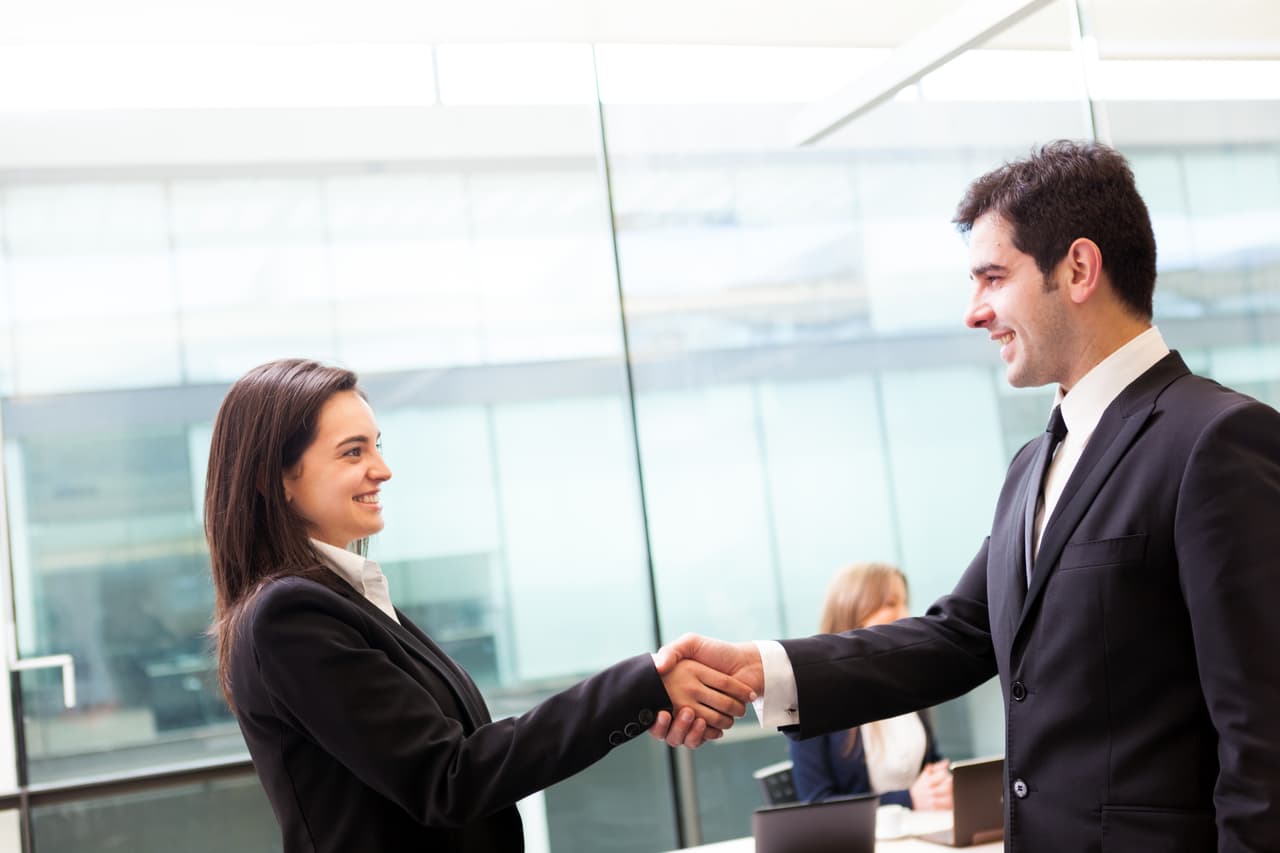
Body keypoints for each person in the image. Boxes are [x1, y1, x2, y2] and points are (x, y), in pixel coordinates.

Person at [651, 140, 1280, 852]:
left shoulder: (1218, 440)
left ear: (1078, 268)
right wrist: (761, 668)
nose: (973, 312)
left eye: (991, 277)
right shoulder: (1031, 465)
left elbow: (1265, 738)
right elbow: (958, 636)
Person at [206, 358, 754, 853]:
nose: (382, 469)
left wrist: (643, 692)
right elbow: (449, 778)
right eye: (354, 451)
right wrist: (639, 687)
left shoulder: (345, 598)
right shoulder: (290, 617)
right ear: (273, 479)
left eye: (377, 444)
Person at [787, 563, 951, 810]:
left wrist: (941, 782)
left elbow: (930, 763)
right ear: (854, 611)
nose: (905, 614)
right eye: (891, 603)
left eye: (904, 602)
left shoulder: (909, 681)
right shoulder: (812, 698)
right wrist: (907, 800)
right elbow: (816, 803)